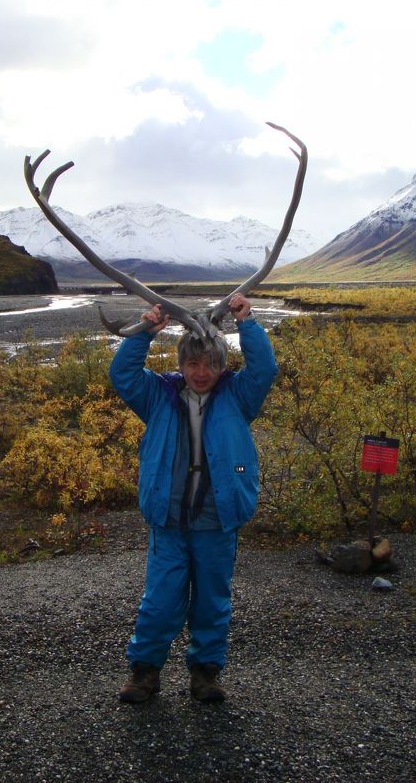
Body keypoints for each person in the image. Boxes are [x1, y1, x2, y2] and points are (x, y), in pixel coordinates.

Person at [109, 293, 277, 703]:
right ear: (181, 364)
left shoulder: (239, 396)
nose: (202, 373)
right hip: (169, 518)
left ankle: (205, 674)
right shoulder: (159, 396)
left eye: (212, 364)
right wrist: (144, 333)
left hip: (216, 518)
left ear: (223, 365)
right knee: (161, 600)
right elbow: (123, 375)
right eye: (193, 363)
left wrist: (248, 325)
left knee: (211, 600)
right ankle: (144, 673)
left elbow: (265, 369)